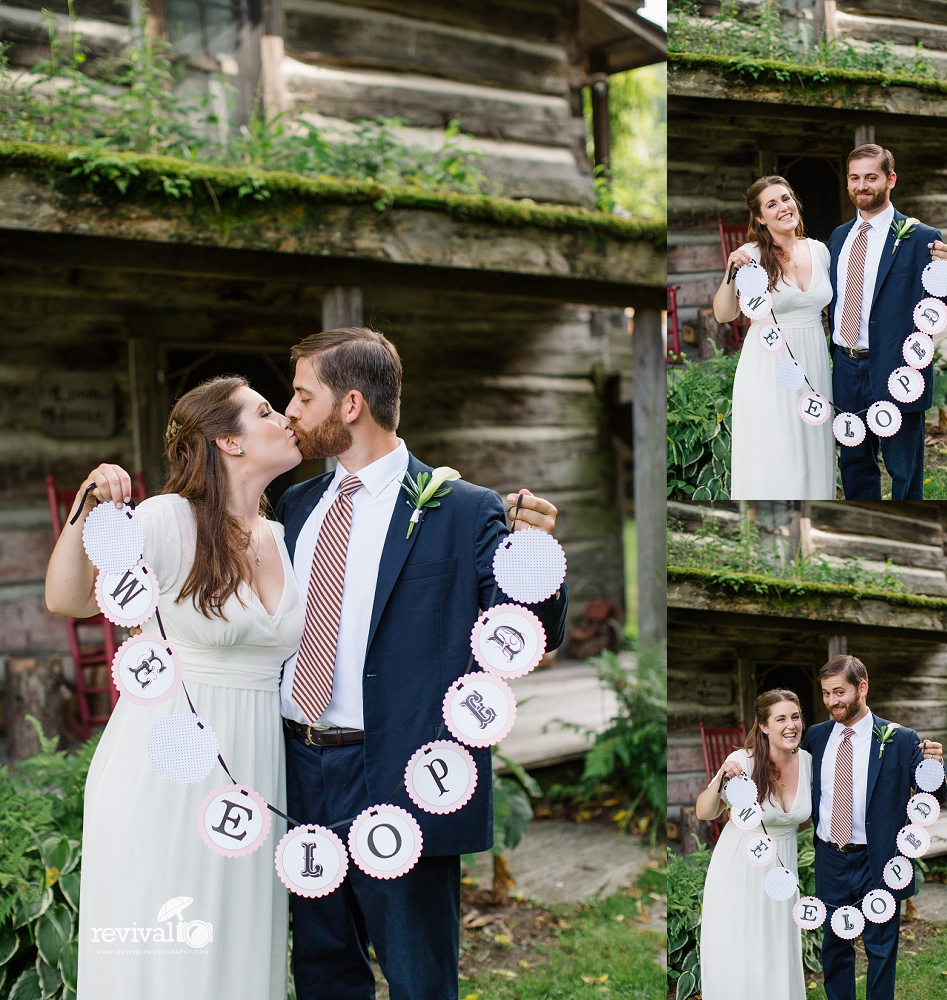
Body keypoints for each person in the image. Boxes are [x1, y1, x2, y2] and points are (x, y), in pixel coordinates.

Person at [273, 327, 568, 1000]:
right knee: (321, 968)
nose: (289, 410)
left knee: (417, 977)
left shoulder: (465, 512)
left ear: (350, 404)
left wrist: (536, 559)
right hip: (299, 767)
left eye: (301, 394)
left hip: (401, 773)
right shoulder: (295, 507)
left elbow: (530, 633)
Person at [46, 377, 305, 1000]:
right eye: (266, 412)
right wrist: (89, 504)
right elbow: (68, 598)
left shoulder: (279, 535)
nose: (285, 418)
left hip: (253, 770)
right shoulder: (168, 520)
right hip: (167, 769)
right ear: (228, 442)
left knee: (238, 947)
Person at [801, 655, 947, 1000]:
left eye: (839, 692)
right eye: (825, 693)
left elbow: (933, 793)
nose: (832, 701)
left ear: (862, 687)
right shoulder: (816, 737)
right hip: (831, 858)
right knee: (835, 946)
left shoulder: (900, 738)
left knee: (881, 949)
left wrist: (936, 765)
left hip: (880, 859)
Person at [829, 144, 947, 499]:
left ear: (890, 180)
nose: (862, 186)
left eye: (871, 177)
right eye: (855, 178)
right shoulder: (839, 237)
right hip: (846, 367)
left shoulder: (922, 237)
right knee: (855, 468)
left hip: (898, 368)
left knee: (905, 473)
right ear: (847, 182)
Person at [714, 175, 836, 500]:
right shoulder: (750, 255)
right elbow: (724, 314)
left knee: (812, 452)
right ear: (759, 217)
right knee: (776, 453)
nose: (783, 207)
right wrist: (731, 272)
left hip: (813, 363)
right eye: (771, 204)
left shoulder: (820, 251)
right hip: (769, 366)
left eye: (786, 198)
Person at [696, 689, 812, 1000]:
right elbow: (705, 812)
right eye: (781, 719)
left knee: (777, 954)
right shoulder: (741, 762)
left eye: (796, 717)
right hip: (740, 872)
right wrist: (721, 776)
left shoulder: (808, 762)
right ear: (763, 726)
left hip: (781, 874)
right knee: (741, 955)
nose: (791, 725)